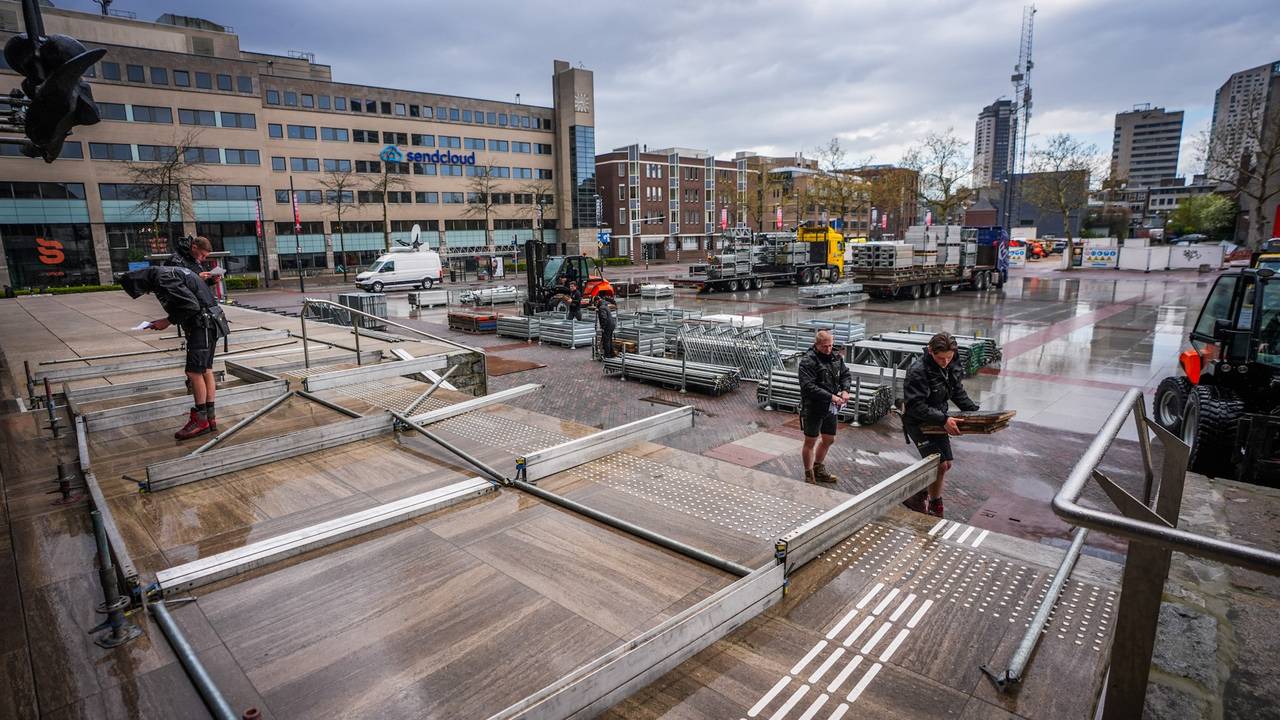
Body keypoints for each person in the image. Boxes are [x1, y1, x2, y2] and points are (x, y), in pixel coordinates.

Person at [121, 264, 230, 440]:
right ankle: (209, 418)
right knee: (205, 369)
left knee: (194, 372)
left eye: (144, 291)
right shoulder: (169, 271)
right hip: (210, 322)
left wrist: (167, 321)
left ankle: (200, 421)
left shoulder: (162, 278)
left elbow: (191, 305)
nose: (147, 293)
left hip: (201, 324)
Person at [901, 332, 979, 518]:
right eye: (940, 358)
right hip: (918, 422)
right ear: (930, 351)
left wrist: (975, 414)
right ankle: (935, 505)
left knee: (946, 464)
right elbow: (915, 405)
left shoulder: (951, 362)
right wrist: (944, 420)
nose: (945, 363)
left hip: (938, 418)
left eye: (949, 358)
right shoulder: (917, 371)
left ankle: (917, 496)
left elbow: (956, 390)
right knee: (939, 464)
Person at [797, 329, 852, 484]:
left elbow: (845, 374)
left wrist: (845, 390)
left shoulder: (836, 357)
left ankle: (818, 468)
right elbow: (808, 386)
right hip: (813, 407)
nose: (828, 350)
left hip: (831, 408)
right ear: (817, 344)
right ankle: (809, 474)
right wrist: (831, 396)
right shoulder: (808, 361)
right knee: (810, 441)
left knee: (829, 439)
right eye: (825, 346)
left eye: (831, 346)